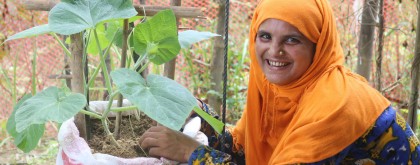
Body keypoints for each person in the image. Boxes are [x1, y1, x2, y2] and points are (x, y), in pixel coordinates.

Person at [139, 0, 420, 164]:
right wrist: (200, 114)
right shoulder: (281, 87)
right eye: (265, 37)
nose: (274, 52)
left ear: (318, 45)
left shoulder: (335, 104)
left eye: (292, 39)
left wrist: (190, 152)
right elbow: (247, 150)